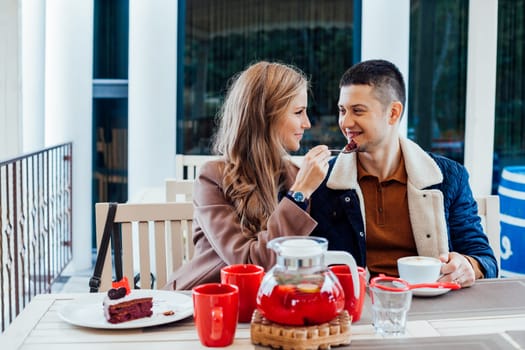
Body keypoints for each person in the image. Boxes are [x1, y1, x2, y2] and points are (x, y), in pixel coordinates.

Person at [310, 59, 498, 287]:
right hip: (358, 308)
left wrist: (468, 265)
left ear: (393, 113)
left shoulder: (449, 176)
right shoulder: (322, 181)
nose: (345, 122)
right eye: (342, 110)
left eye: (357, 111)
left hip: (432, 305)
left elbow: (484, 259)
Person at [165, 61, 331, 290]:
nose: (307, 123)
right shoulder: (212, 178)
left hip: (270, 303)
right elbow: (251, 264)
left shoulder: (295, 176)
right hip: (208, 302)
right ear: (266, 116)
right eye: (298, 112)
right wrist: (300, 195)